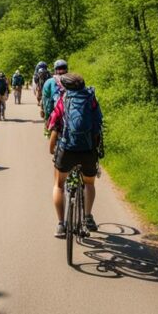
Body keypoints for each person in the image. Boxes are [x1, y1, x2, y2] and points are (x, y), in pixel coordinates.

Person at [48, 72, 104, 238]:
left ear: (65, 87)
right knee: (89, 183)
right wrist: (94, 148)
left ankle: (60, 224)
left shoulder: (63, 100)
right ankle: (87, 217)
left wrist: (52, 148)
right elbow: (98, 125)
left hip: (67, 150)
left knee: (59, 184)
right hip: (88, 150)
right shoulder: (91, 100)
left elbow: (54, 126)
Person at [41, 59, 69, 126]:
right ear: (67, 69)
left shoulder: (49, 82)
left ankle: (48, 130)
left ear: (55, 70)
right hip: (71, 112)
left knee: (53, 128)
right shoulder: (72, 79)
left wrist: (47, 117)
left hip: (57, 112)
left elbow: (46, 102)